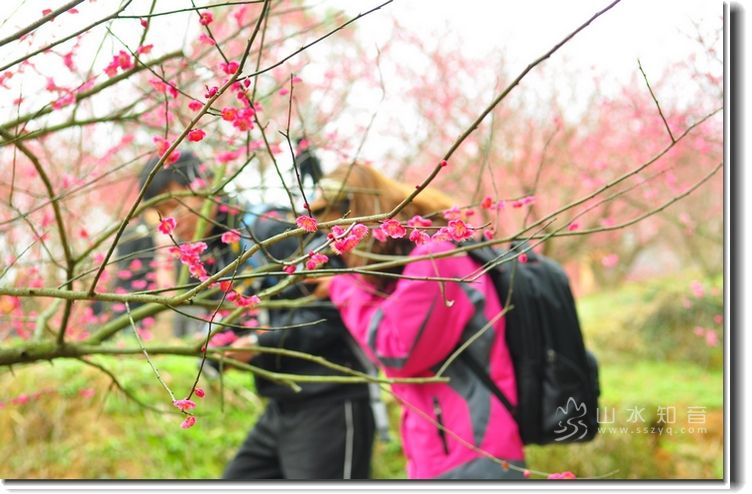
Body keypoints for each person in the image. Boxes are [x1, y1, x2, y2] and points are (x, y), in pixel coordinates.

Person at [131, 150, 378, 479]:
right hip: (282, 402)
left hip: (329, 397)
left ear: (204, 188)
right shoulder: (217, 253)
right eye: (159, 216)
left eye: (172, 208)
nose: (170, 225)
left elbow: (331, 310)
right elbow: (244, 318)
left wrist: (259, 345)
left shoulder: (268, 229)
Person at [309, 163, 527, 479]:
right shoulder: (413, 264)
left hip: (470, 451)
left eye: (338, 233)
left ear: (360, 213)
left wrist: (344, 288)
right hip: (445, 450)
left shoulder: (434, 259)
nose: (336, 247)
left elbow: (396, 350)